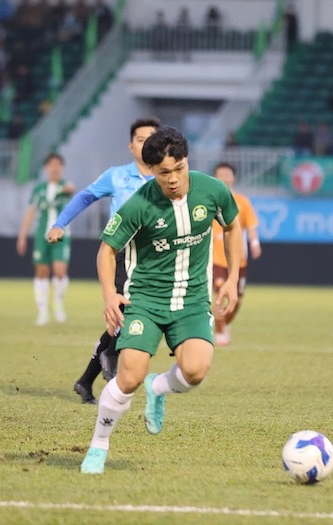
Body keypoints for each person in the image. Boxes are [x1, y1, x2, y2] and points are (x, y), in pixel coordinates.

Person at [79, 127, 242, 474]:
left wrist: (232, 277)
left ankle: (160, 386)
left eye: (179, 168)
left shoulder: (212, 190)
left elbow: (232, 226)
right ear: (152, 170)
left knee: (196, 371)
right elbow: (107, 250)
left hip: (192, 301)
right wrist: (110, 295)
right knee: (128, 378)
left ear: (187, 161)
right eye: (164, 172)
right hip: (146, 302)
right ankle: (98, 445)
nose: (173, 179)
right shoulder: (139, 205)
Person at [46, 118, 160, 404]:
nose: (146, 143)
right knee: (126, 310)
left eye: (152, 138)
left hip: (154, 258)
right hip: (121, 254)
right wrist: (60, 224)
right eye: (141, 138)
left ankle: (86, 380)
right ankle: (111, 358)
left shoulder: (166, 177)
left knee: (127, 316)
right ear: (131, 145)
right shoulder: (117, 176)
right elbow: (84, 197)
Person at [17, 153, 75, 326]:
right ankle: (42, 311)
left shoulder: (65, 186)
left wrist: (69, 190)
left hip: (62, 234)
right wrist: (22, 236)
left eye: (58, 165)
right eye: (52, 165)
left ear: (62, 168)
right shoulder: (39, 189)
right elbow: (30, 213)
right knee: (41, 273)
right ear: (46, 168)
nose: (55, 168)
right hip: (42, 234)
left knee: (59, 271)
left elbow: (72, 190)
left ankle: (57, 304)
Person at [210, 162, 260, 346]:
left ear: (234, 178)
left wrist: (254, 243)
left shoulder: (242, 202)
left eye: (227, 174)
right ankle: (220, 330)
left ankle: (221, 321)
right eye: (220, 174)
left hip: (238, 260)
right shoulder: (209, 200)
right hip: (216, 257)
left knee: (236, 299)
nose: (223, 177)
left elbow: (251, 226)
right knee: (220, 291)